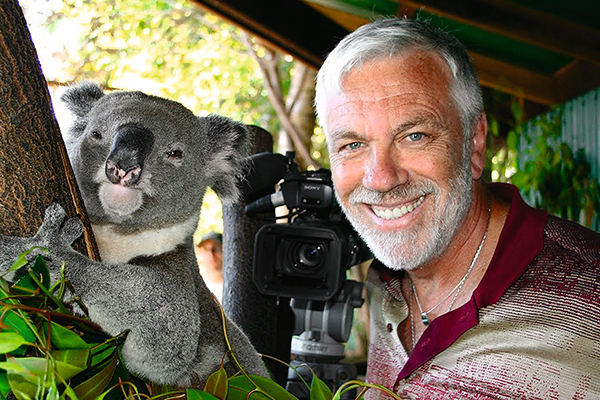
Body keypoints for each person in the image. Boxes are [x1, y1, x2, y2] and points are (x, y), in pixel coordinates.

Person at [314, 17, 600, 399]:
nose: (380, 178)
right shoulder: (383, 284)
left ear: (475, 143)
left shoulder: (589, 292)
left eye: (414, 136)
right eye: (352, 145)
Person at [195, 231, 224, 301]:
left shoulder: (234, 286)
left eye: (216, 249)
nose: (211, 255)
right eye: (205, 249)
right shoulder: (196, 285)